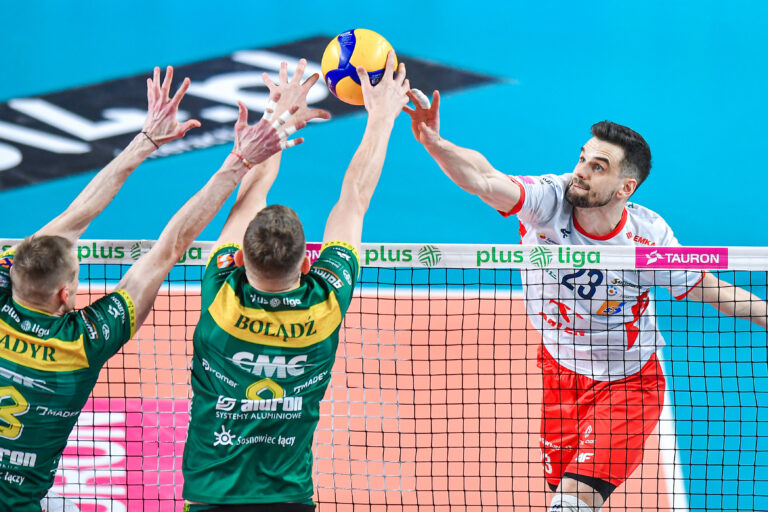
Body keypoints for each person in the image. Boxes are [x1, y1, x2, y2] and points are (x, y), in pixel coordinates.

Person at [403, 90, 768, 512]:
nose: (580, 172)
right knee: (562, 493)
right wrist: (435, 143)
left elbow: (713, 290)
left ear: (625, 187)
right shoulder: (548, 201)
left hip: (627, 386)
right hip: (558, 376)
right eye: (582, 158)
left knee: (571, 503)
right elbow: (485, 179)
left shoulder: (648, 239)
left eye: (598, 167)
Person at [0, 65, 312, 512]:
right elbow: (169, 249)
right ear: (65, 294)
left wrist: (145, 141)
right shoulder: (84, 342)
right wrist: (235, 161)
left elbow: (67, 224)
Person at [180, 53, 409, 512]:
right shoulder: (325, 303)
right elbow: (354, 200)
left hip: (209, 500)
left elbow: (252, 192)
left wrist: (278, 115)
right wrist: (382, 117)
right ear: (308, 264)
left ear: (239, 259)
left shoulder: (222, 294)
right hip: (290, 501)